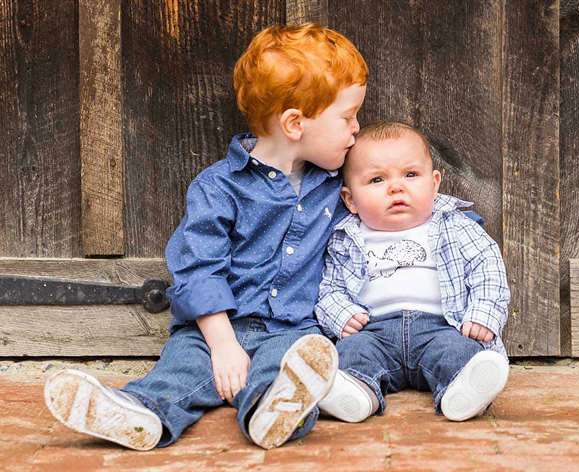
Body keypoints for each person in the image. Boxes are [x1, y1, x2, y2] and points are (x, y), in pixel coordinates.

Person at [43, 23, 368, 450]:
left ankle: (271, 413)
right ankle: (136, 414)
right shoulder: (219, 187)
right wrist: (223, 344)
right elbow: (198, 267)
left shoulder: (337, 184)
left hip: (291, 327)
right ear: (294, 123)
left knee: (291, 372)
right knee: (178, 372)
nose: (357, 128)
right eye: (347, 117)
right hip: (213, 328)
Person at [315, 121, 510, 424]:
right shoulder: (347, 237)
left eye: (410, 175)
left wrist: (483, 313)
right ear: (350, 199)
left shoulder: (455, 226)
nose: (396, 187)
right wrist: (341, 315)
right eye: (377, 179)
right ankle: (355, 393)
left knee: (462, 353)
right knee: (351, 354)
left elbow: (487, 268)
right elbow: (329, 287)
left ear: (434, 184)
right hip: (374, 332)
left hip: (442, 328)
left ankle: (461, 393)